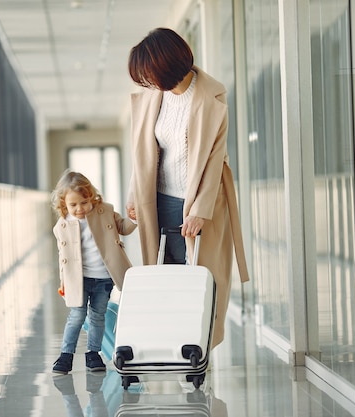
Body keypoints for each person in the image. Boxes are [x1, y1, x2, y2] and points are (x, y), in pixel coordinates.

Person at [125, 27, 250, 347]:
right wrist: (134, 195)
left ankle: (196, 352)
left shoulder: (211, 97)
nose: (147, 81)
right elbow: (143, 152)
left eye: (149, 73)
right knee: (165, 279)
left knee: (199, 280)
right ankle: (172, 346)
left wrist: (200, 210)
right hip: (160, 199)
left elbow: (214, 160)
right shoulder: (154, 98)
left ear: (166, 65)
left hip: (197, 201)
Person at [51, 170, 137, 374]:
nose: (79, 209)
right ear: (64, 205)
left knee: (98, 316)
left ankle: (93, 354)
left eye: (84, 202)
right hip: (78, 279)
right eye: (73, 205)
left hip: (104, 277)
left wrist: (136, 219)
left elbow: (123, 227)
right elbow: (62, 258)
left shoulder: (105, 212)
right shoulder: (62, 225)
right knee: (77, 316)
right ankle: (65, 356)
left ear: (91, 197)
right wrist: (64, 282)